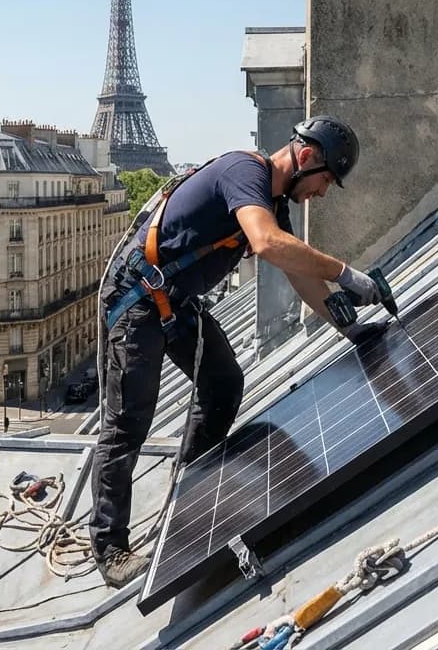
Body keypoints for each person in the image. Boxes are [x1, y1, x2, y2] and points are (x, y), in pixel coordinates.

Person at [90, 115, 386, 587]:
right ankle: (109, 549)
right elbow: (268, 244)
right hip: (138, 302)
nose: (323, 192)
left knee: (224, 383)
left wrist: (350, 329)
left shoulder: (271, 200)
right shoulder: (243, 174)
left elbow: (301, 277)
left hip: (175, 302)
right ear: (306, 158)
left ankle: (185, 491)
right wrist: (347, 272)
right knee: (127, 425)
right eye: (326, 179)